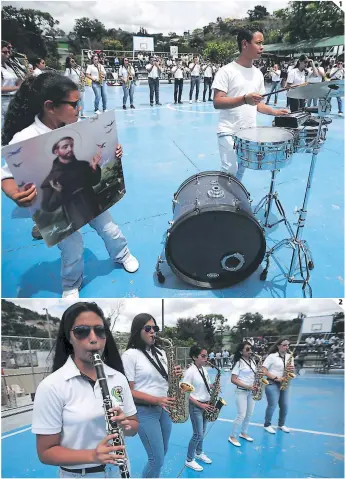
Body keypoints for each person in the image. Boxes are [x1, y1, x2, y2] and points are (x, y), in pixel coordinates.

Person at [1, 73, 139, 298]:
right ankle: (71, 282)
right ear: (50, 107)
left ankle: (122, 254)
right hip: (61, 208)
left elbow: (92, 170)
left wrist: (113, 153)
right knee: (72, 246)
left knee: (110, 230)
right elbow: (5, 176)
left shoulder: (78, 127)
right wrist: (15, 194)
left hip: (87, 198)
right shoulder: (24, 139)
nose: (79, 108)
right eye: (74, 104)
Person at [31, 301, 139, 478]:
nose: (93, 337)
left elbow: (133, 427)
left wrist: (125, 424)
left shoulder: (118, 378)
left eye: (100, 330)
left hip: (119, 470)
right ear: (69, 337)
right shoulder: (51, 386)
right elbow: (45, 452)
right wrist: (93, 455)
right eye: (82, 331)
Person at [212, 27, 288, 182]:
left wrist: (275, 112)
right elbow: (217, 101)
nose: (262, 47)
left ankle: (233, 202)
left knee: (240, 171)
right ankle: (223, 202)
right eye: (258, 43)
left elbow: (258, 105)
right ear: (245, 44)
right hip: (228, 130)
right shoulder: (226, 71)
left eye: (262, 43)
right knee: (230, 171)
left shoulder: (258, 74)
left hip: (247, 133)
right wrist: (244, 99)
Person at [122, 314, 181, 478]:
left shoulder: (161, 352)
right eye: (148, 328)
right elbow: (128, 391)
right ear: (137, 331)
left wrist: (175, 374)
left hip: (164, 410)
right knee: (157, 459)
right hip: (145, 412)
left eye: (155, 328)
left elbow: (164, 380)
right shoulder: (130, 355)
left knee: (163, 451)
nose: (153, 332)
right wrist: (157, 400)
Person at [40, 136, 103, 231]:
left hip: (95, 209)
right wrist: (58, 192)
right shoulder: (52, 179)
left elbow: (95, 182)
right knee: (74, 245)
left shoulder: (83, 165)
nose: (70, 149)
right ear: (56, 152)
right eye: (65, 147)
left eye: (71, 146)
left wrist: (94, 168)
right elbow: (48, 207)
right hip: (75, 219)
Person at [182, 345, 214, 472]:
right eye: (203, 356)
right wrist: (200, 405)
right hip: (196, 406)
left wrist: (212, 386)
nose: (206, 358)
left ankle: (199, 453)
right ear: (195, 357)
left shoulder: (203, 370)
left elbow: (204, 385)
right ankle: (189, 460)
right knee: (197, 434)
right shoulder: (190, 372)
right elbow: (185, 393)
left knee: (203, 431)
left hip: (206, 403)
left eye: (207, 355)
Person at [262, 338, 295, 434]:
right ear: (278, 346)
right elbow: (263, 370)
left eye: (288, 345)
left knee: (284, 405)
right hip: (272, 383)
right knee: (272, 405)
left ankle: (281, 424)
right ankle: (267, 425)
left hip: (285, 382)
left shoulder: (290, 357)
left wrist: (292, 370)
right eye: (284, 345)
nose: (287, 347)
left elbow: (291, 371)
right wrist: (275, 377)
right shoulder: (272, 356)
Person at [228, 341, 256, 447]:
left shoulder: (253, 361)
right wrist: (247, 386)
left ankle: (243, 433)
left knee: (249, 414)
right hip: (241, 392)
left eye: (251, 348)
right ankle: (232, 436)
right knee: (241, 415)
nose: (250, 351)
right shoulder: (239, 363)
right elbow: (233, 379)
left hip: (251, 391)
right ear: (241, 351)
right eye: (247, 349)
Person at [1, 41, 23, 121]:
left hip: (12, 99)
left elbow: (16, 81)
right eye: (4, 52)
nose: (7, 54)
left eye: (8, 52)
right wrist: (16, 87)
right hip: (2, 100)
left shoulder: (9, 66)